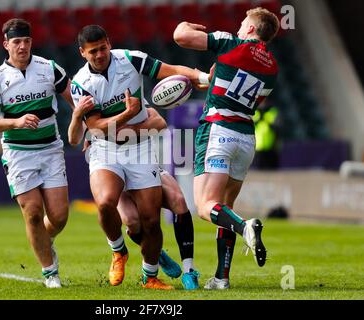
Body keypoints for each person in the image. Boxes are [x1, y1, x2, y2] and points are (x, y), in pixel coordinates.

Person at [70, 25, 209, 290]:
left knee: (150, 220)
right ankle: (118, 250)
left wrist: (202, 77)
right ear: (82, 53)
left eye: (102, 48)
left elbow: (171, 70)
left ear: (109, 43)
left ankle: (150, 276)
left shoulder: (131, 59)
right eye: (92, 52)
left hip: (140, 148)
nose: (99, 55)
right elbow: (97, 127)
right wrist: (128, 113)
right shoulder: (81, 84)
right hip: (105, 149)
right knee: (105, 203)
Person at [173, 7, 280, 289]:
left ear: (252, 30)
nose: (239, 27)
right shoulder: (272, 67)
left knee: (205, 206)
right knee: (225, 208)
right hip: (246, 138)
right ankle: (221, 278)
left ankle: (246, 227)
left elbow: (180, 36)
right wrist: (214, 80)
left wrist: (188, 23)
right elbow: (251, 101)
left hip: (219, 131)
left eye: (243, 24)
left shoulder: (232, 43)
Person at [0, 18, 74, 288]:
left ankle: (45, 239)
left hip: (51, 148)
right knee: (32, 212)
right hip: (19, 153)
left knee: (59, 216)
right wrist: (14, 122)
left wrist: (89, 128)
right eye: (16, 42)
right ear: (6, 44)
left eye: (27, 41)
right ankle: (50, 273)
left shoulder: (49, 68)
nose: (22, 46)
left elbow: (76, 101)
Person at [69, 104, 200, 290]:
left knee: (178, 201)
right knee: (132, 221)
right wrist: (84, 123)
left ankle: (189, 271)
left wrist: (131, 129)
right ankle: (153, 254)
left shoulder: (130, 94)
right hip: (113, 168)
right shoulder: (91, 100)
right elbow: (76, 137)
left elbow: (159, 121)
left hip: (140, 161)